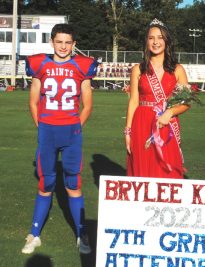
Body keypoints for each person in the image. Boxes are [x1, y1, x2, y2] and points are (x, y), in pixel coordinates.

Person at [22, 23, 98, 254]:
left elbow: (88, 104)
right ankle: (34, 234)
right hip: (48, 130)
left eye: (68, 42)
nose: (63, 46)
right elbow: (33, 101)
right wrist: (43, 126)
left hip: (71, 132)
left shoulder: (82, 65)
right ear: (52, 42)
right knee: (46, 183)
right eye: (59, 42)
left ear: (74, 44)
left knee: (73, 183)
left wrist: (76, 127)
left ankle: (81, 232)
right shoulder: (40, 63)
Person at [125, 18, 189, 178]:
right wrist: (128, 132)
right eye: (151, 38)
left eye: (160, 38)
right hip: (141, 124)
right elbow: (133, 101)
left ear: (166, 41)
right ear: (146, 41)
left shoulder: (177, 69)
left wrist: (170, 112)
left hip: (166, 124)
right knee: (143, 172)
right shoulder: (138, 69)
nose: (155, 42)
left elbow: (186, 102)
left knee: (168, 172)